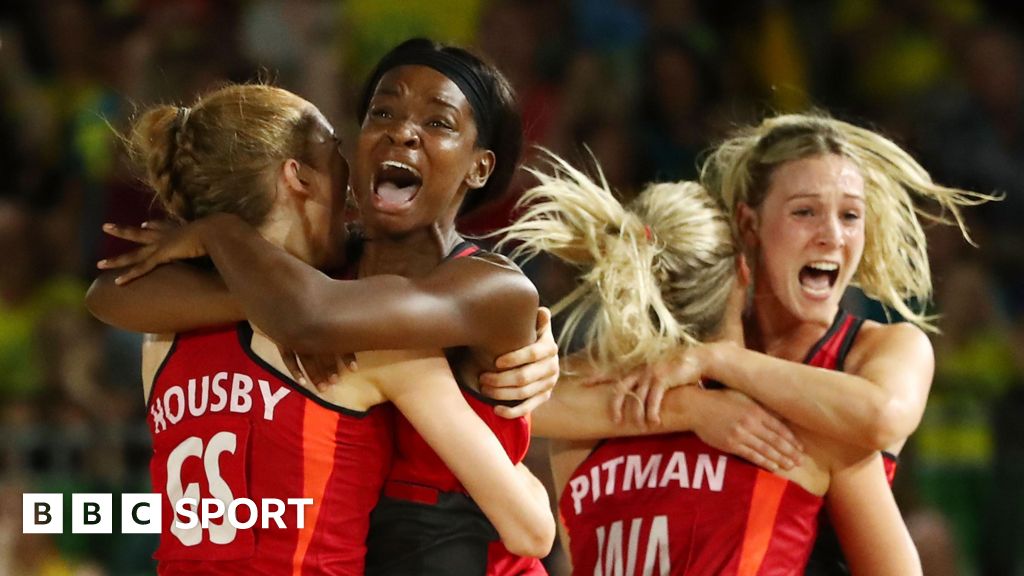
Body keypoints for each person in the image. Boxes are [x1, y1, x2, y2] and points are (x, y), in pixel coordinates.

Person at [89, 39, 557, 574]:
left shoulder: (485, 286)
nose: (402, 131)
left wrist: (219, 236)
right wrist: (267, 300)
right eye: (382, 112)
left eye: (438, 122)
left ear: (479, 167)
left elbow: (311, 314)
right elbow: (108, 294)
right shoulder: (327, 300)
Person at [602, 112, 998, 574]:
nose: (832, 235)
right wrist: (695, 410)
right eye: (805, 212)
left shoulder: (887, 347)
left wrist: (724, 362)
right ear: (749, 224)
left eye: (850, 216)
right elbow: (551, 404)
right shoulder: (699, 336)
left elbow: (881, 416)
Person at [497, 150, 922, 575]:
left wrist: (695, 401)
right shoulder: (807, 425)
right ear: (744, 270)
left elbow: (505, 399)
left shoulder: (585, 426)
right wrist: (698, 405)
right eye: (806, 211)